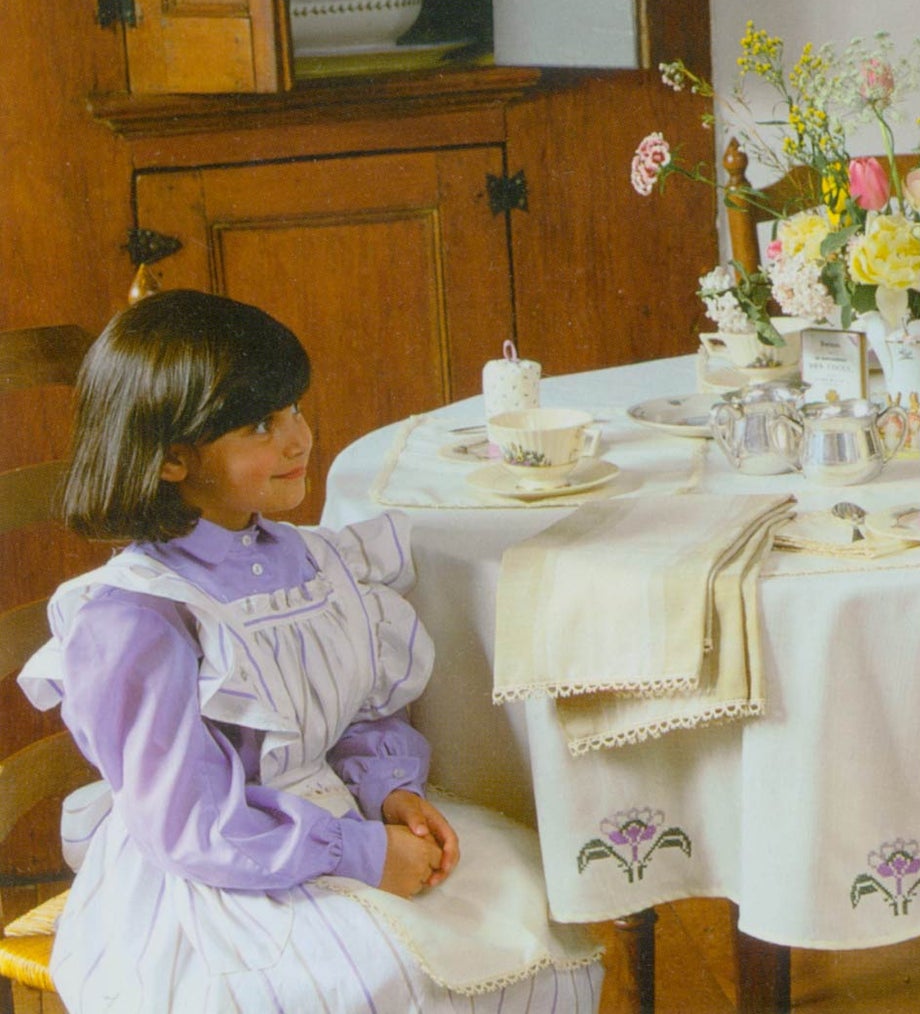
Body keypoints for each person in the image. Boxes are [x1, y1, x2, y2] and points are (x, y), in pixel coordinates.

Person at [19, 290, 604, 1011]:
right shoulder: (139, 617)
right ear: (173, 459)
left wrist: (388, 789)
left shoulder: (314, 562)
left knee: (527, 904)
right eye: (263, 425)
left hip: (337, 818)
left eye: (295, 407)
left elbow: (354, 706)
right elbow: (191, 824)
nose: (301, 438)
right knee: (361, 981)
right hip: (221, 867)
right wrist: (358, 854)